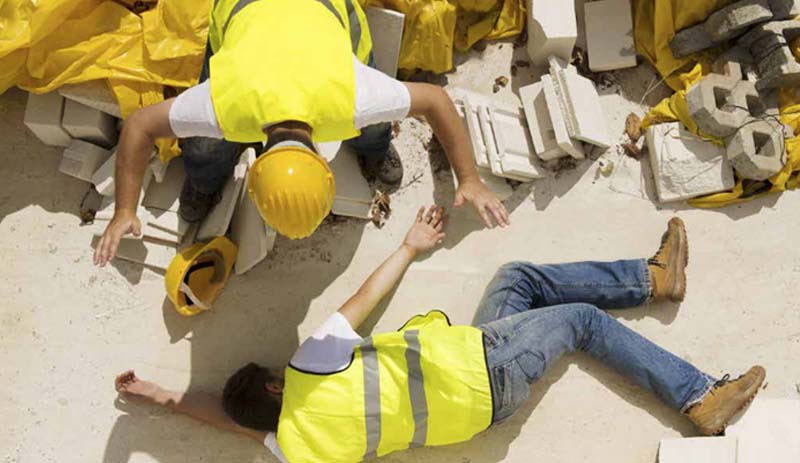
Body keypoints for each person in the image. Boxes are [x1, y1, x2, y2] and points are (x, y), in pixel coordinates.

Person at [114, 207, 766, 462]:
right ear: (277, 380)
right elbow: (361, 300)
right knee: (582, 323)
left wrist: (155, 395)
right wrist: (409, 244)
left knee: (518, 280)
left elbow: (225, 421)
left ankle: (655, 278)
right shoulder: (311, 365)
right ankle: (698, 397)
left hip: (473, 403)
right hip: (483, 367)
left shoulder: (293, 450)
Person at [93, 0, 508, 266]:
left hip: (324, 9)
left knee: (376, 123)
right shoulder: (226, 103)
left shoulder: (355, 96)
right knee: (204, 148)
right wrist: (123, 210)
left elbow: (435, 100)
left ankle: (374, 147)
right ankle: (206, 179)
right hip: (244, 10)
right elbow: (139, 126)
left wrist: (471, 179)